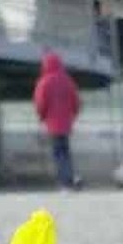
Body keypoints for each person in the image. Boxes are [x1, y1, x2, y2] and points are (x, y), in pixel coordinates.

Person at [33, 52, 81, 189]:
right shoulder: (68, 81)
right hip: (66, 123)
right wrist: (73, 115)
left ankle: (65, 181)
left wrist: (41, 116)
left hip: (52, 124)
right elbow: (76, 101)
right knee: (66, 152)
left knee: (58, 153)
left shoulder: (44, 82)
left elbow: (41, 103)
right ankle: (71, 178)